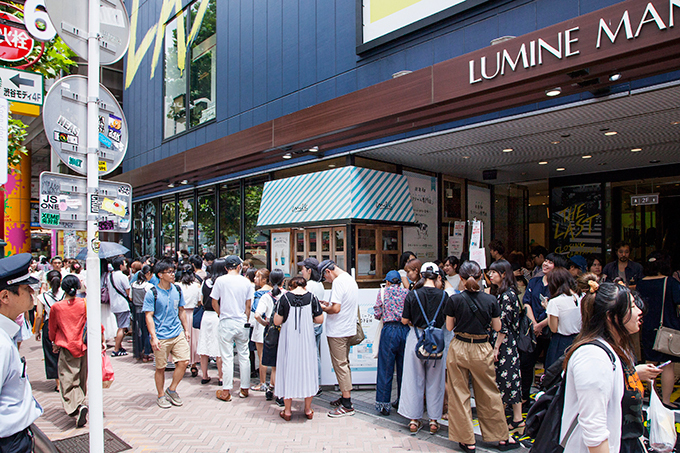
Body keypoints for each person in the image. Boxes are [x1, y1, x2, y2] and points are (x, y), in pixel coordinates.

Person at [562, 280, 662, 453]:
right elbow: (594, 431)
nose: (639, 312)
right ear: (611, 317)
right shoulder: (593, 357)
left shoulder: (614, 349)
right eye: (631, 306)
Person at [445, 260, 518, 451]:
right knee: (489, 392)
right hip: (482, 346)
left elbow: (449, 327)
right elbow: (497, 327)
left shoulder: (454, 300)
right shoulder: (491, 300)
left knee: (459, 393)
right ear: (481, 276)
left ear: (460, 278)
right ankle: (501, 437)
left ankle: (467, 440)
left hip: (459, 345)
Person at [398, 263, 448, 434]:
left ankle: (414, 419)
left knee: (413, 379)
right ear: (437, 276)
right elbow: (448, 322)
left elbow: (404, 321)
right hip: (437, 340)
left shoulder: (413, 295)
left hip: (416, 337)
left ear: (423, 276)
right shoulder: (444, 296)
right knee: (436, 380)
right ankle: (434, 420)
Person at [0, 253, 43, 452]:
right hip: (9, 442)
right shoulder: (1, 343)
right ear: (5, 296)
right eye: (26, 288)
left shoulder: (6, 335)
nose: (32, 292)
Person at [273, 276, 324, 421]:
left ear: (291, 286)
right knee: (308, 369)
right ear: (305, 286)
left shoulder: (284, 298)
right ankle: (307, 409)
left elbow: (277, 321)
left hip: (289, 339)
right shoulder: (312, 297)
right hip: (306, 339)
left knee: (287, 369)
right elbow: (320, 319)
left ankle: (287, 411)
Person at [521, 252, 568, 403]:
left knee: (551, 366)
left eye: (550, 262)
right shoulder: (534, 282)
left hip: (550, 331)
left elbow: (558, 310)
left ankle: (548, 399)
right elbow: (526, 302)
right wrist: (534, 324)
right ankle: (524, 397)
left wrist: (541, 325)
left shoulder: (560, 287)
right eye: (545, 261)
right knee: (526, 363)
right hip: (532, 330)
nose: (546, 264)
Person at [143, 260, 191, 409]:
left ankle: (172, 389)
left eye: (173, 271)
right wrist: (153, 336)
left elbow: (181, 310)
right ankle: (160, 395)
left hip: (177, 332)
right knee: (161, 367)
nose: (172, 274)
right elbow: (148, 315)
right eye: (169, 272)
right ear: (160, 275)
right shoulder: (153, 293)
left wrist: (186, 329)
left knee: (184, 362)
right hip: (161, 335)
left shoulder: (177, 289)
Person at [637, 251, 680, 408]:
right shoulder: (670, 282)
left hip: (647, 327)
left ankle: (653, 399)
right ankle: (666, 401)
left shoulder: (642, 283)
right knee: (668, 365)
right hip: (667, 328)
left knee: (650, 364)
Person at [487, 259, 524, 433]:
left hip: (504, 343)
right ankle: (517, 419)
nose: (490, 275)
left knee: (504, 380)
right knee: (512, 379)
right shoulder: (505, 293)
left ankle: (505, 420)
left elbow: (504, 325)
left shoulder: (507, 295)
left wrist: (496, 347)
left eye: (494, 272)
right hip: (507, 342)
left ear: (503, 274)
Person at [318, 260, 359, 417]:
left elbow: (335, 309)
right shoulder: (349, 279)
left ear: (328, 272)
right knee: (344, 364)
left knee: (340, 366)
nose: (326, 281)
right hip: (348, 328)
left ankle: (347, 404)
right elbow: (340, 305)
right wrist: (328, 304)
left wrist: (323, 308)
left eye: (325, 277)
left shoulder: (338, 282)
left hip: (338, 331)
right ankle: (344, 397)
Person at [212, 255, 254, 402]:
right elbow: (248, 305)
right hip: (242, 321)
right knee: (244, 355)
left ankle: (226, 390)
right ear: (238, 267)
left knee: (227, 357)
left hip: (226, 321)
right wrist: (246, 318)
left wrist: (220, 314)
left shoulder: (220, 281)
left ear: (225, 267)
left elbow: (214, 301)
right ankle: (244, 388)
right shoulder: (246, 282)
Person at [48, 275, 89, 427]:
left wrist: (54, 341)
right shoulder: (84, 303)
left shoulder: (57, 307)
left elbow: (52, 328)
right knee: (81, 377)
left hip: (66, 346)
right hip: (83, 346)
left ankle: (76, 407)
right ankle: (80, 402)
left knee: (67, 379)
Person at [373, 270, 409, 416]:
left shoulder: (383, 292)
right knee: (404, 369)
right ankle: (402, 401)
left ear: (387, 282)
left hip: (389, 330)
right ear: (399, 282)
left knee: (385, 368)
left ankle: (383, 405)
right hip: (405, 330)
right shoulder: (407, 293)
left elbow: (377, 314)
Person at [257, 270, 285, 404]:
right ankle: (278, 392)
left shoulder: (266, 296)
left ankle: (272, 388)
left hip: (271, 331)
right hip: (284, 330)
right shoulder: (287, 295)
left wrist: (265, 323)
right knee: (281, 364)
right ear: (283, 281)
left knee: (274, 364)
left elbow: (257, 315)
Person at [544, 267, 580, 369]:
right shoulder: (581, 297)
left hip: (561, 343)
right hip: (578, 339)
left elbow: (553, 328)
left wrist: (548, 310)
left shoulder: (555, 302)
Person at [298, 257, 324, 394]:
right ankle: (316, 382)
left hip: (310, 325)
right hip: (316, 325)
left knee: (310, 355)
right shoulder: (319, 285)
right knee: (315, 354)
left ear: (309, 270)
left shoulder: (310, 286)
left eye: (302, 269)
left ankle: (314, 383)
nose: (301, 271)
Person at [34, 270, 63, 390]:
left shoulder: (42, 297)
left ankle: (58, 383)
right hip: (64, 325)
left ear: (48, 282)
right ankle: (65, 378)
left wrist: (36, 331)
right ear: (60, 280)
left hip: (49, 326)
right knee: (64, 352)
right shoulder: (65, 294)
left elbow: (39, 315)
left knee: (51, 353)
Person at [197, 261, 224, 385]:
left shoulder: (205, 282)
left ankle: (204, 375)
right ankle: (220, 377)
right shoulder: (222, 283)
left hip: (206, 316)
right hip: (217, 315)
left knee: (204, 345)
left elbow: (201, 300)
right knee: (218, 347)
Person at [176, 264, 202, 378]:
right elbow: (200, 301)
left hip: (180, 314)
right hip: (193, 314)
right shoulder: (197, 286)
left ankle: (179, 364)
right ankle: (194, 364)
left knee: (179, 340)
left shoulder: (177, 285)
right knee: (193, 341)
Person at [250, 268, 272, 391]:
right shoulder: (275, 291)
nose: (255, 279)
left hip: (261, 325)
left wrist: (263, 322)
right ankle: (274, 382)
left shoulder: (259, 294)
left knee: (261, 355)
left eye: (257, 277)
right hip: (274, 325)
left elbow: (255, 311)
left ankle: (262, 382)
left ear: (264, 279)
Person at [108, 256, 132, 356]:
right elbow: (128, 292)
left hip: (113, 304)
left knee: (119, 326)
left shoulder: (110, 276)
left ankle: (119, 346)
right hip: (122, 304)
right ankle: (116, 349)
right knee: (122, 327)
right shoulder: (122, 276)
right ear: (121, 265)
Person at [131, 265, 154, 362]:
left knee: (138, 331)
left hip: (136, 311)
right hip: (146, 311)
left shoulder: (133, 285)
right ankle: (147, 353)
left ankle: (139, 351)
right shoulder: (149, 286)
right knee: (147, 332)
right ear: (148, 274)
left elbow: (131, 298)